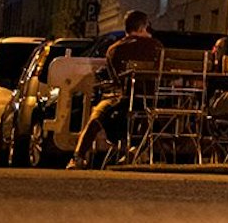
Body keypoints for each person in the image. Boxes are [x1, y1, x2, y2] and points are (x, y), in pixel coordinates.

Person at [68, 9, 163, 168]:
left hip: (123, 99)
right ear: (142, 27)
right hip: (152, 100)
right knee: (148, 114)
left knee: (97, 114)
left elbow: (115, 79)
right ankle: (138, 150)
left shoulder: (114, 49)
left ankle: (78, 156)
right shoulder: (156, 47)